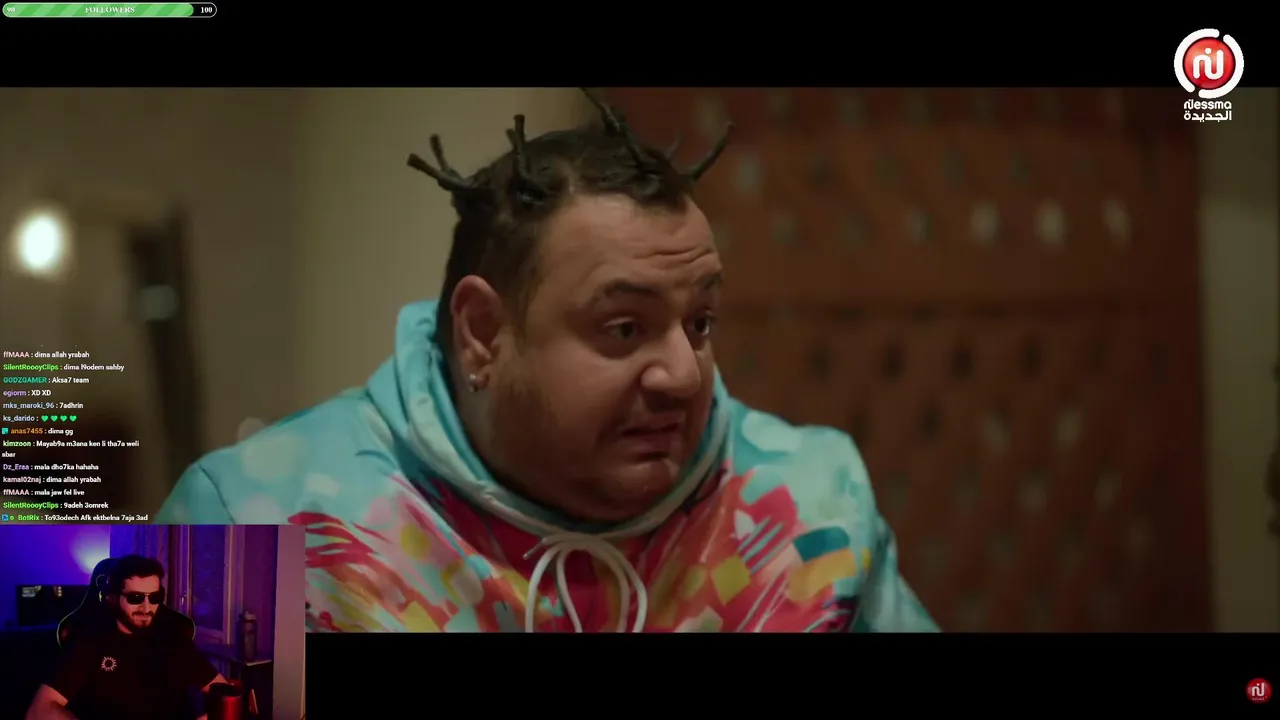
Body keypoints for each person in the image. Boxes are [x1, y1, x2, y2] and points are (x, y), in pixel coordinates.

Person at [156, 88, 938, 633]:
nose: (683, 374)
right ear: (482, 334)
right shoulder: (250, 521)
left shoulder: (814, 507)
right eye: (624, 328)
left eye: (699, 322)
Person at [25, 555, 228, 720]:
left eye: (155, 597)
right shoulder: (90, 643)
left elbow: (225, 694)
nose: (147, 608)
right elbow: (39, 710)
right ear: (113, 598)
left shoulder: (174, 640)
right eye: (135, 598)